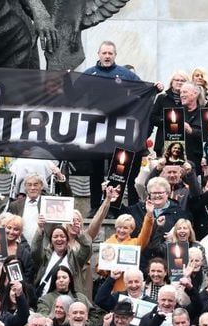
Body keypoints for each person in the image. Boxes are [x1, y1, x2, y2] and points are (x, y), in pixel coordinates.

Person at [82, 40, 141, 216]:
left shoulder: (125, 74)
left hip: (118, 129)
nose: (107, 56)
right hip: (96, 129)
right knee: (96, 170)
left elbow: (142, 89)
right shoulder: (88, 74)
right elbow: (73, 95)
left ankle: (114, 206)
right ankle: (95, 206)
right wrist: (66, 81)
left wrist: (155, 88)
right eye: (104, 53)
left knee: (117, 168)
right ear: (98, 54)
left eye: (110, 53)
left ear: (115, 55)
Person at [149, 71, 189, 155]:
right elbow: (152, 118)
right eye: (177, 80)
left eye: (182, 81)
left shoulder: (189, 99)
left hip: (185, 144)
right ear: (172, 82)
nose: (179, 82)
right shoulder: (162, 98)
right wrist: (167, 121)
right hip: (163, 142)